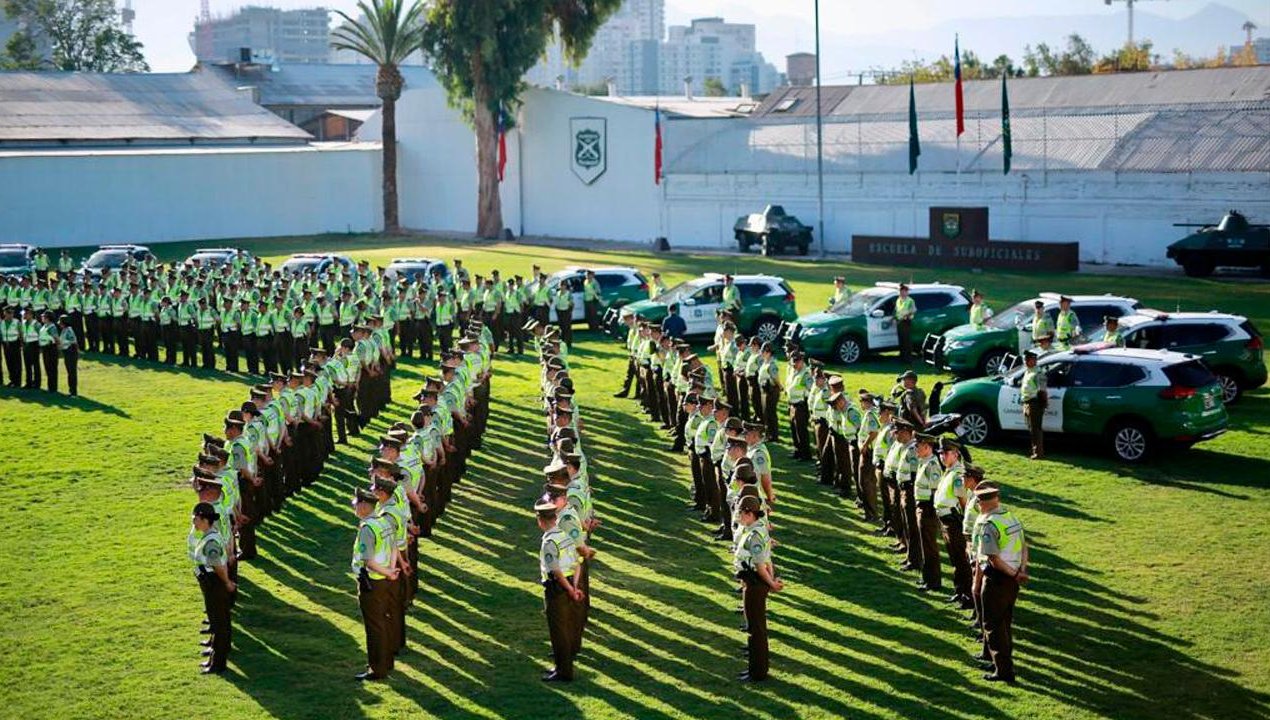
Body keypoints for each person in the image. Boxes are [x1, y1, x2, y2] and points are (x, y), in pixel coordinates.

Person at [972, 482, 1028, 683]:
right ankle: (998, 662)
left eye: (978, 501)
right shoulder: (1011, 518)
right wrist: (1020, 571)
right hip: (1012, 580)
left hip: (997, 579)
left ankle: (1003, 671)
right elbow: (1024, 547)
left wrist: (1013, 574)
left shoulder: (989, 525)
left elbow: (993, 558)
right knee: (1005, 624)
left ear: (983, 503)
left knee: (993, 626)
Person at [351, 486, 398, 681]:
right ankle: (386, 662)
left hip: (372, 581)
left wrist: (387, 572)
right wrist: (391, 571)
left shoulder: (368, 529)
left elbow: (368, 560)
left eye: (356, 504)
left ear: (364, 506)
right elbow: (394, 547)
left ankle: (376, 669)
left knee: (374, 627)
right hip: (386, 580)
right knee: (384, 622)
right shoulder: (384, 522)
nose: (354, 507)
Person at [734, 495, 782, 682]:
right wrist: (771, 580)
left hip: (754, 582)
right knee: (756, 627)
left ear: (749, 513)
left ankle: (758, 672)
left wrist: (771, 584)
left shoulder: (754, 535)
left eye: (741, 512)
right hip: (755, 581)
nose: (738, 515)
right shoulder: (759, 528)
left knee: (756, 629)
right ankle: (756, 669)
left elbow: (761, 564)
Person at [536, 499, 584, 682]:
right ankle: (563, 667)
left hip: (557, 590)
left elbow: (555, 571)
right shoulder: (565, 536)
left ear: (539, 520)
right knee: (567, 627)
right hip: (570, 583)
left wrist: (569, 589)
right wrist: (575, 586)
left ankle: (563, 671)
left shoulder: (549, 542)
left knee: (558, 631)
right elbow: (577, 562)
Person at [189, 501, 235, 674]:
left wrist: (227, 583)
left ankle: (218, 664)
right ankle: (215, 659)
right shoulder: (210, 535)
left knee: (219, 624)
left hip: (215, 585)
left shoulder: (211, 541)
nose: (193, 522)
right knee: (218, 622)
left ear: (204, 519)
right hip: (213, 584)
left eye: (195, 518)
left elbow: (219, 567)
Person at [784, 351, 812, 461]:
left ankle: (805, 454)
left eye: (796, 362)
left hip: (800, 405)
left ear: (801, 361)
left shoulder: (805, 374)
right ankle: (798, 450)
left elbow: (811, 390)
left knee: (801, 431)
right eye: (793, 363)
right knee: (794, 430)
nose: (794, 365)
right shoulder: (794, 371)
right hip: (792, 404)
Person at [1019, 350, 1047, 459]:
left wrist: (1043, 403)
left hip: (1035, 402)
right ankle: (1034, 449)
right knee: (1031, 428)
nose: (1026, 362)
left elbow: (1043, 390)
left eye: (1028, 360)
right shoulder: (1028, 371)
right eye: (1025, 360)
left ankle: (1038, 452)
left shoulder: (1038, 373)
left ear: (1034, 360)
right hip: (1027, 402)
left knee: (1036, 429)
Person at [57, 314, 78, 396]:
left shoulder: (68, 330)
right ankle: (71, 390)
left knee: (72, 372)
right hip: (67, 352)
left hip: (71, 352)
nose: (60, 325)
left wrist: (61, 344)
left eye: (61, 323)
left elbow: (72, 341)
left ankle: (73, 392)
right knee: (70, 372)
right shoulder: (64, 330)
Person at [895, 283, 916, 363]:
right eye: (901, 291)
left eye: (904, 291)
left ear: (907, 292)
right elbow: (897, 311)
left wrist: (907, 315)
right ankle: (902, 358)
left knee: (906, 341)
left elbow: (913, 310)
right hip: (899, 321)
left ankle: (908, 359)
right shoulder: (898, 300)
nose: (902, 292)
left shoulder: (910, 300)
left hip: (906, 322)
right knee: (901, 341)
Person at [1, 305, 21, 388]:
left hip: (15, 344)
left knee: (16, 363)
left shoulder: (17, 322)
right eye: (9, 313)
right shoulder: (2, 323)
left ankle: (17, 382)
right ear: (4, 313)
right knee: (9, 363)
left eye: (12, 313)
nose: (11, 314)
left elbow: (21, 333)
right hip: (6, 344)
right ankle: (12, 380)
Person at [38, 310, 58, 392]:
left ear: (48, 318)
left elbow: (56, 338)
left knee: (52, 368)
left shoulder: (51, 327)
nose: (42, 318)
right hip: (45, 348)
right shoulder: (44, 326)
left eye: (43, 317)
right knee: (47, 367)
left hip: (50, 348)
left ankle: (53, 388)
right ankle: (50, 386)